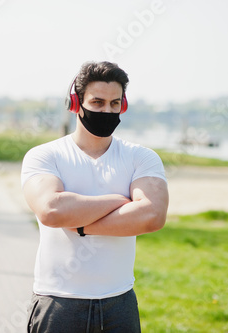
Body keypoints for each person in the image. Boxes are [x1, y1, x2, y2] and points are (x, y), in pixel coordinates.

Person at [21, 61, 169, 332]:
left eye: (115, 103)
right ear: (76, 103)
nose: (107, 110)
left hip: (119, 304)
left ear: (123, 105)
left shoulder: (141, 157)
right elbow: (52, 211)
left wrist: (78, 223)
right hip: (57, 302)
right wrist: (120, 200)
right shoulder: (44, 156)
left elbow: (152, 216)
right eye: (97, 102)